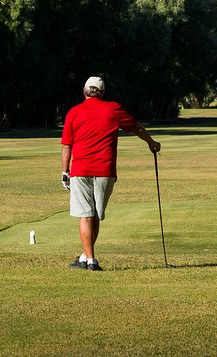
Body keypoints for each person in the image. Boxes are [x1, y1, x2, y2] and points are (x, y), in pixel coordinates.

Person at [60, 76, 161, 271]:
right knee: (94, 216)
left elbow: (66, 146)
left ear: (84, 91)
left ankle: (89, 260)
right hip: (105, 171)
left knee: (86, 216)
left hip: (80, 171)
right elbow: (136, 128)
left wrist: (65, 172)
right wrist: (151, 142)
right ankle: (86, 258)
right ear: (103, 92)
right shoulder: (114, 109)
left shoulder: (74, 112)